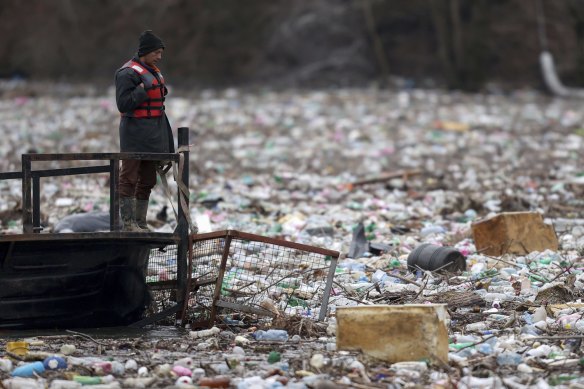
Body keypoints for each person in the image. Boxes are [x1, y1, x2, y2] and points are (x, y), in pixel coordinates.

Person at [115, 30, 174, 231]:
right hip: (133, 132)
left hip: (153, 132)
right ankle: (129, 223)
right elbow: (123, 104)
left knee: (148, 179)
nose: (159, 57)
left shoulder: (154, 71)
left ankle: (140, 221)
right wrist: (142, 91)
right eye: (156, 52)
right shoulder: (127, 73)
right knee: (129, 177)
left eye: (161, 53)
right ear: (145, 52)